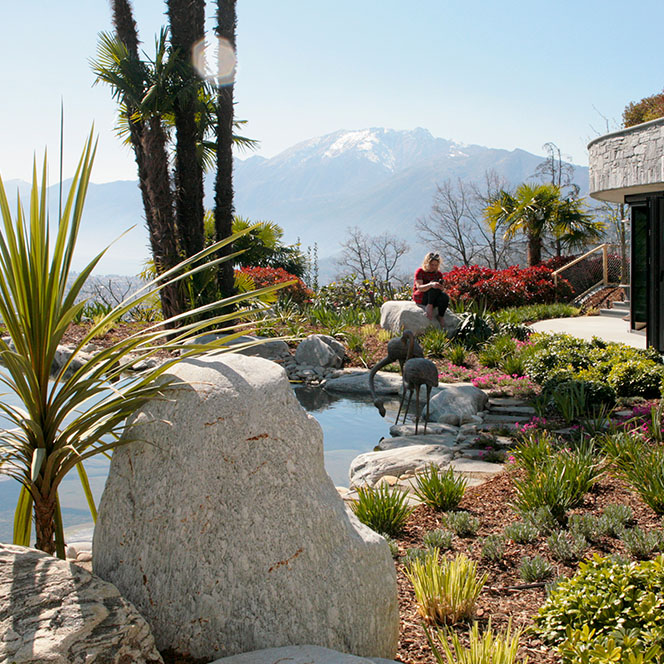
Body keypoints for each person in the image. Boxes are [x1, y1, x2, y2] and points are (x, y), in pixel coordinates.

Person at [413, 251, 449, 327]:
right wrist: (430, 284)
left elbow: (441, 290)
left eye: (436, 265)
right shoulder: (420, 271)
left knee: (444, 296)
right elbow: (419, 287)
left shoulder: (438, 274)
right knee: (433, 286)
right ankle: (429, 306)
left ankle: (440, 316)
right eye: (432, 264)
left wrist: (440, 287)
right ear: (427, 263)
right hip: (422, 295)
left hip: (434, 295)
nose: (434, 267)